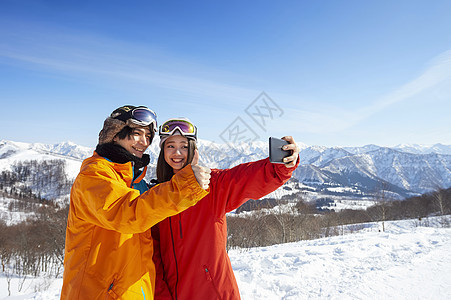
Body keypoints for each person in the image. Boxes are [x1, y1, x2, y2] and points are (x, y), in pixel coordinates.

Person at [60, 106, 211, 300]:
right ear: (115, 135)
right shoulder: (95, 176)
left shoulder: (133, 181)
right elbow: (128, 213)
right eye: (137, 133)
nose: (144, 142)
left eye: (148, 136)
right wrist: (185, 186)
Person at [151, 117, 300, 300]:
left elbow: (246, 178)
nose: (178, 152)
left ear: (193, 150)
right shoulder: (157, 196)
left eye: (184, 145)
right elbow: (154, 255)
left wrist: (281, 165)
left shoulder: (211, 186)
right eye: (170, 146)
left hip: (215, 293)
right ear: (162, 151)